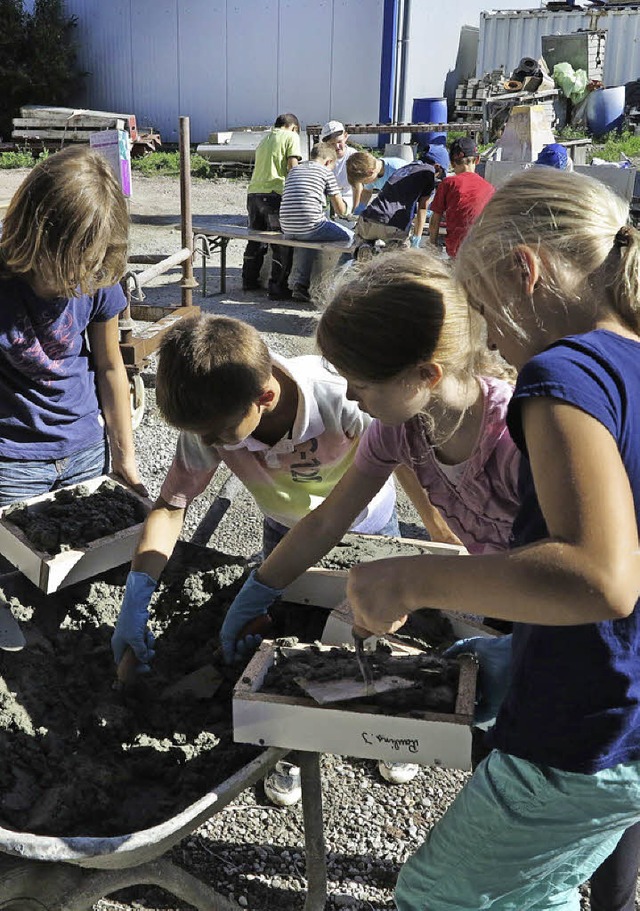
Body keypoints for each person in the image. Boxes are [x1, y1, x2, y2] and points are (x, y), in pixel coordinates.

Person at [342, 167, 640, 911]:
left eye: (483, 307)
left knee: (441, 895)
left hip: (589, 731)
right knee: (535, 887)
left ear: (525, 271)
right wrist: (515, 652)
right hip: (625, 716)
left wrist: (407, 579)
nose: (492, 337)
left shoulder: (564, 374)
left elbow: (602, 576)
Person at [0, 145, 144, 506]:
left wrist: (124, 456)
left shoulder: (98, 270)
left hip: (87, 450)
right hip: (12, 463)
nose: (79, 277)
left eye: (89, 264)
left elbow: (110, 366)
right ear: (33, 235)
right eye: (65, 264)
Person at [279, 142, 353, 303]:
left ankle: (300, 285)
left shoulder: (294, 170)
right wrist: (349, 210)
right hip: (309, 226)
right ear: (328, 162)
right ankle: (334, 287)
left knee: (309, 237)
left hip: (287, 227)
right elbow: (340, 210)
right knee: (352, 239)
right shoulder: (326, 172)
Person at [241, 112, 302, 300]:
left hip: (254, 194)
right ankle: (277, 288)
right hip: (275, 194)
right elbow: (293, 166)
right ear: (293, 127)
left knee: (256, 239)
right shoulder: (292, 136)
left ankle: (249, 280)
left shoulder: (264, 138)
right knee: (280, 243)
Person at [353, 144, 449, 261]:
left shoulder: (405, 167)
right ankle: (393, 250)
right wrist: (417, 238)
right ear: (437, 167)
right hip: (394, 224)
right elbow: (422, 208)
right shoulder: (429, 173)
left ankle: (365, 245)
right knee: (400, 259)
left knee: (362, 237)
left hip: (369, 217)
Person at [428, 136, 495, 258]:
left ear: (452, 164)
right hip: (482, 252)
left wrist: (432, 245)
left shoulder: (448, 183)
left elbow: (435, 220)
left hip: (456, 250)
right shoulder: (489, 188)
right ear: (477, 159)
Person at [319, 120, 358, 214]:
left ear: (345, 136)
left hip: (349, 197)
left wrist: (356, 210)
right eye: (332, 144)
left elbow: (358, 187)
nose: (337, 146)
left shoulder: (353, 155)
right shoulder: (322, 158)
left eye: (339, 142)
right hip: (329, 200)